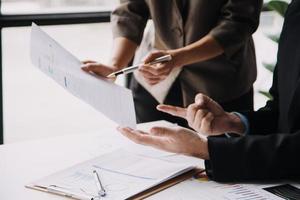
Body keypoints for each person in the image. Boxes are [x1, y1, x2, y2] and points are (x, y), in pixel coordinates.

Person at [118, 0, 300, 182]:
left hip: (221, 82)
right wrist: (235, 122)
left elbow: (238, 22)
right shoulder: (296, 14)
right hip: (155, 88)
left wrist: (205, 149)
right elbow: (284, 114)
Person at [82, 0, 262, 126]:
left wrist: (178, 58)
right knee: (149, 161)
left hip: (220, 83)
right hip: (153, 84)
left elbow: (238, 22)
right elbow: (130, 10)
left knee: (218, 167)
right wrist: (115, 65)